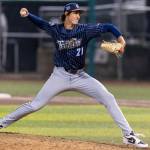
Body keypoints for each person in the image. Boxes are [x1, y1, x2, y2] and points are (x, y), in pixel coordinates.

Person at [0, 3, 148, 148]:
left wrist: (121, 40)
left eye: (79, 13)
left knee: (108, 97)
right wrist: (28, 15)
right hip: (60, 76)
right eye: (75, 13)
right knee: (35, 105)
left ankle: (128, 135)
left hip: (80, 77)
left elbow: (109, 26)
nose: (78, 16)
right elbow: (41, 23)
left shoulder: (84, 30)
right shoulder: (56, 30)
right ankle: (2, 122)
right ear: (66, 14)